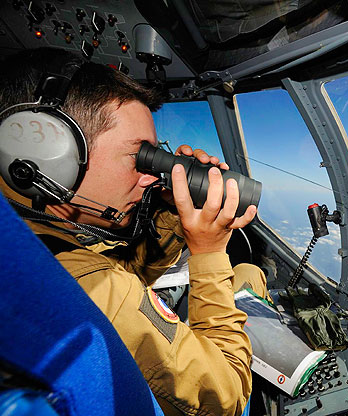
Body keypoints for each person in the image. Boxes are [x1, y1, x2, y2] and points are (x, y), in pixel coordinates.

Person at [0, 47, 268, 415]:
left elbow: (126, 272)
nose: (150, 175)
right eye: (139, 156)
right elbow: (225, 395)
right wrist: (209, 254)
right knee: (249, 276)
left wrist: (174, 212)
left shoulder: (31, 235)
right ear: (48, 155)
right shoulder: (87, 283)